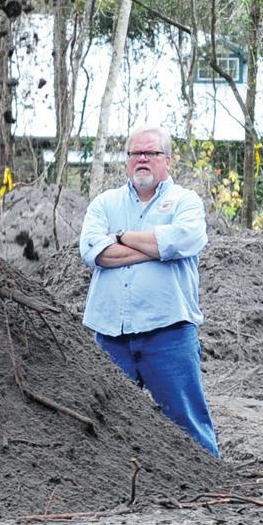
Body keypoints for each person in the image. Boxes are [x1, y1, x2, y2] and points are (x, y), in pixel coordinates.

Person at [79, 127, 217, 455]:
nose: (142, 158)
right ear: (126, 161)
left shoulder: (186, 201)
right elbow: (92, 251)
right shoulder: (104, 203)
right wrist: (156, 246)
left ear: (167, 160)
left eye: (151, 153)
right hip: (112, 335)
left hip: (168, 333)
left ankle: (211, 488)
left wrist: (121, 236)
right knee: (105, 421)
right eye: (134, 153)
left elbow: (184, 239)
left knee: (187, 421)